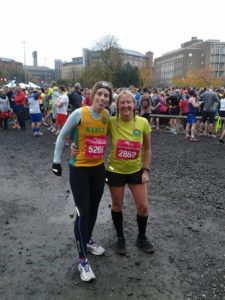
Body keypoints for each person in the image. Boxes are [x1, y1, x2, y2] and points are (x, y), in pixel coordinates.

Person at [52, 81, 113, 282]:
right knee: (82, 211)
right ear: (93, 94)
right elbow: (62, 137)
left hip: (97, 169)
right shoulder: (79, 113)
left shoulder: (107, 116)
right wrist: (56, 162)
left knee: (94, 209)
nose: (103, 98)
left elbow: (110, 139)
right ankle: (82, 260)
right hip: (79, 169)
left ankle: (87, 240)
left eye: (106, 95)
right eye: (100, 94)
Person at [105, 89, 154, 256]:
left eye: (128, 102)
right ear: (117, 106)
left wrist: (145, 170)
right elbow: (95, 138)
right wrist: (76, 144)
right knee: (117, 206)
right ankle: (120, 238)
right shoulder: (111, 122)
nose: (125, 105)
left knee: (143, 207)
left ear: (134, 104)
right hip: (115, 170)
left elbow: (147, 149)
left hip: (136, 171)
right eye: (122, 102)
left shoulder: (143, 123)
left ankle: (141, 237)